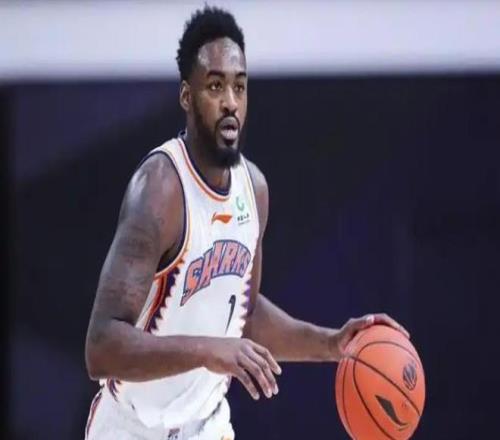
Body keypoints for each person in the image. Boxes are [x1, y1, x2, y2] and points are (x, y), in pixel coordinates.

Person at [84, 6, 408, 440]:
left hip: (207, 425)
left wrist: (332, 344)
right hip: (132, 428)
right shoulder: (159, 190)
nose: (230, 102)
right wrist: (210, 351)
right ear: (187, 96)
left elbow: (245, 313)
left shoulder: (253, 190)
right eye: (215, 86)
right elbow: (101, 348)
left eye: (239, 86)